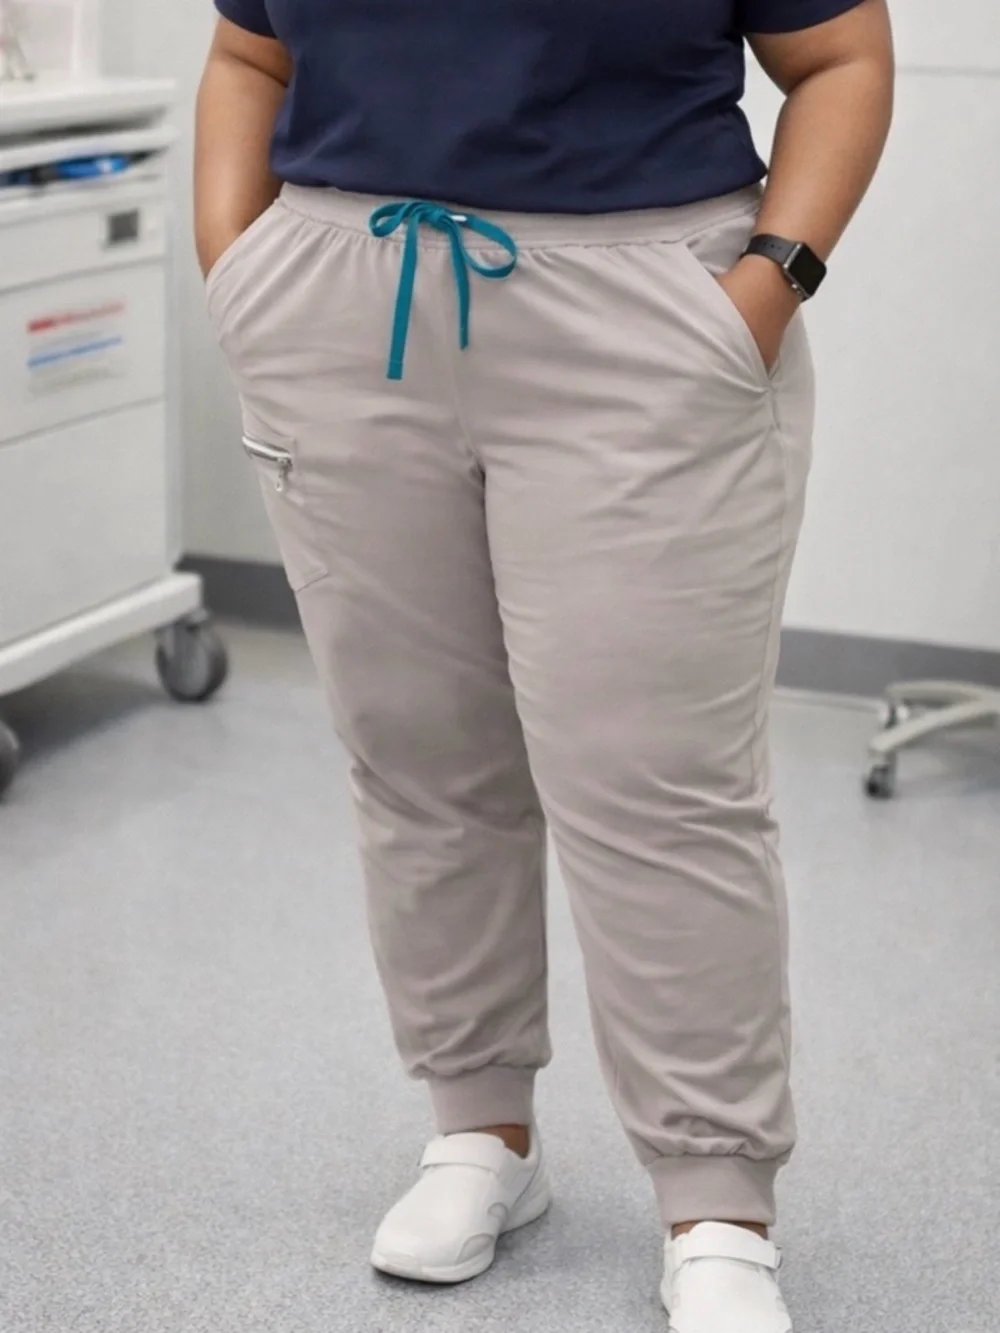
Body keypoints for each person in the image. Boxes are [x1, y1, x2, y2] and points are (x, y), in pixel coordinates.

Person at [195, 2, 893, 1327]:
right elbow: (246, 52)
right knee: (420, 755)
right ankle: (481, 1134)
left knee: (658, 785)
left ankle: (715, 1199)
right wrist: (237, 268)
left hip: (639, 318)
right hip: (343, 310)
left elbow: (841, 57)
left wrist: (767, 284)